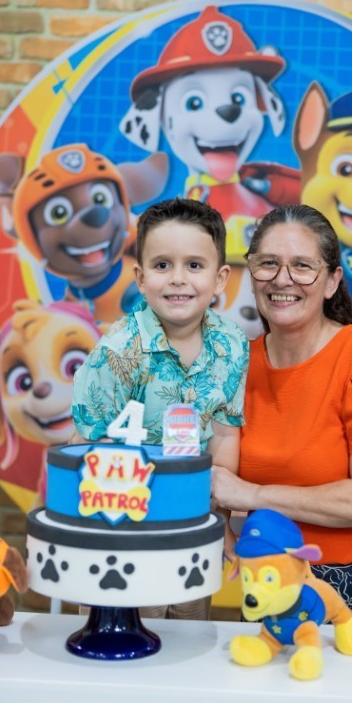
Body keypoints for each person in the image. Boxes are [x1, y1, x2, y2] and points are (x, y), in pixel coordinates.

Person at [211, 204, 352, 624]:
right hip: (272, 582)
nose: (282, 279)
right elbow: (220, 478)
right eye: (267, 263)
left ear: (332, 281)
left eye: (302, 266)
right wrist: (221, 521)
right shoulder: (234, 366)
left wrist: (251, 495)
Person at [72, 197, 250, 620]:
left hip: (191, 528)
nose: (178, 279)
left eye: (194, 265)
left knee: (188, 633)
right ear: (140, 277)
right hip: (120, 535)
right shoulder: (118, 350)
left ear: (220, 278)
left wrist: (221, 523)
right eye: (162, 265)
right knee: (124, 635)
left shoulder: (232, 344)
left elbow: (225, 434)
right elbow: (84, 445)